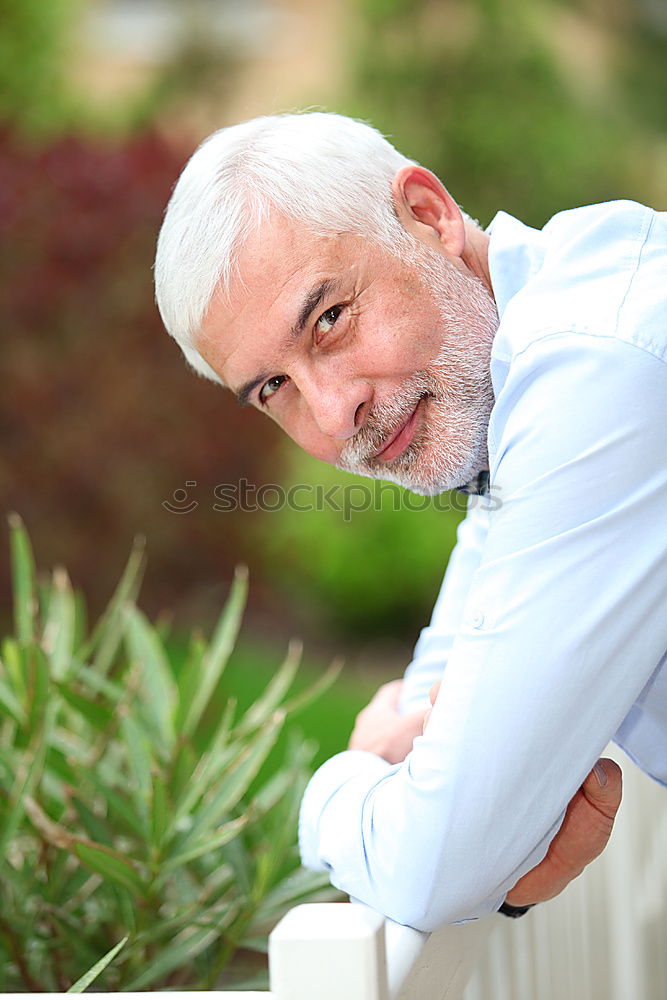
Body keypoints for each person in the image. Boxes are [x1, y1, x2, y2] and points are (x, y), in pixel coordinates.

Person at [154, 112, 666, 931]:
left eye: (328, 319)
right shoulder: (525, 378)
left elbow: (439, 864)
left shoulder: (596, 368)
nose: (333, 410)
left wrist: (334, 789)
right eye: (272, 389)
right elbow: (440, 699)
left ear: (427, 216)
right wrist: (477, 842)